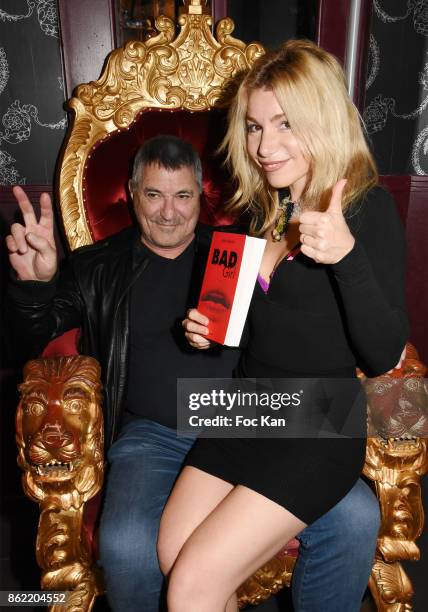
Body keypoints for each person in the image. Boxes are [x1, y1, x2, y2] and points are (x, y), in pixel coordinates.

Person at [6, 135, 381, 612]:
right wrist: (36, 288)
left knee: (357, 516)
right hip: (152, 432)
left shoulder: (242, 252)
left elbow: (313, 336)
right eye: (153, 195)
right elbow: (29, 348)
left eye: (182, 195)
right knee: (125, 544)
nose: (168, 212)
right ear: (131, 192)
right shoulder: (94, 267)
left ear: (200, 197)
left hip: (245, 418)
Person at [157, 41, 407, 612]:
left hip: (320, 421)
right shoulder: (262, 211)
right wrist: (206, 329)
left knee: (193, 584)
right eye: (253, 126)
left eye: (285, 124)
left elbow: (386, 352)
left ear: (322, 119)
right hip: (247, 409)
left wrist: (346, 258)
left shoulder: (368, 211)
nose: (265, 146)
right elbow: (269, 328)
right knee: (174, 557)